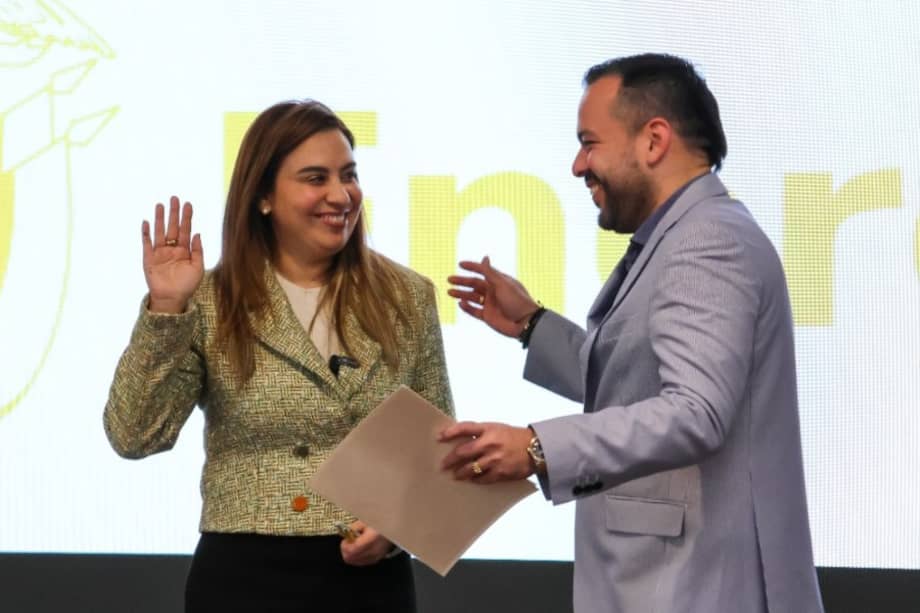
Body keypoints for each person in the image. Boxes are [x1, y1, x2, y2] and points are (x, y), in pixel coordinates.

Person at [440, 54, 824, 612]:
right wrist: (531, 325)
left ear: (654, 140)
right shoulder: (686, 234)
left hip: (695, 587)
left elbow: (694, 412)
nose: (577, 165)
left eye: (589, 143)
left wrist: (538, 448)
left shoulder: (707, 241)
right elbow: (635, 380)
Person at [104, 99, 453, 612]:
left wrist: (398, 527)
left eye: (349, 175)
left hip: (371, 582)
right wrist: (167, 308)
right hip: (244, 580)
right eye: (316, 178)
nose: (341, 195)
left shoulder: (407, 296)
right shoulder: (210, 301)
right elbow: (135, 434)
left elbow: (438, 448)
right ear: (263, 196)